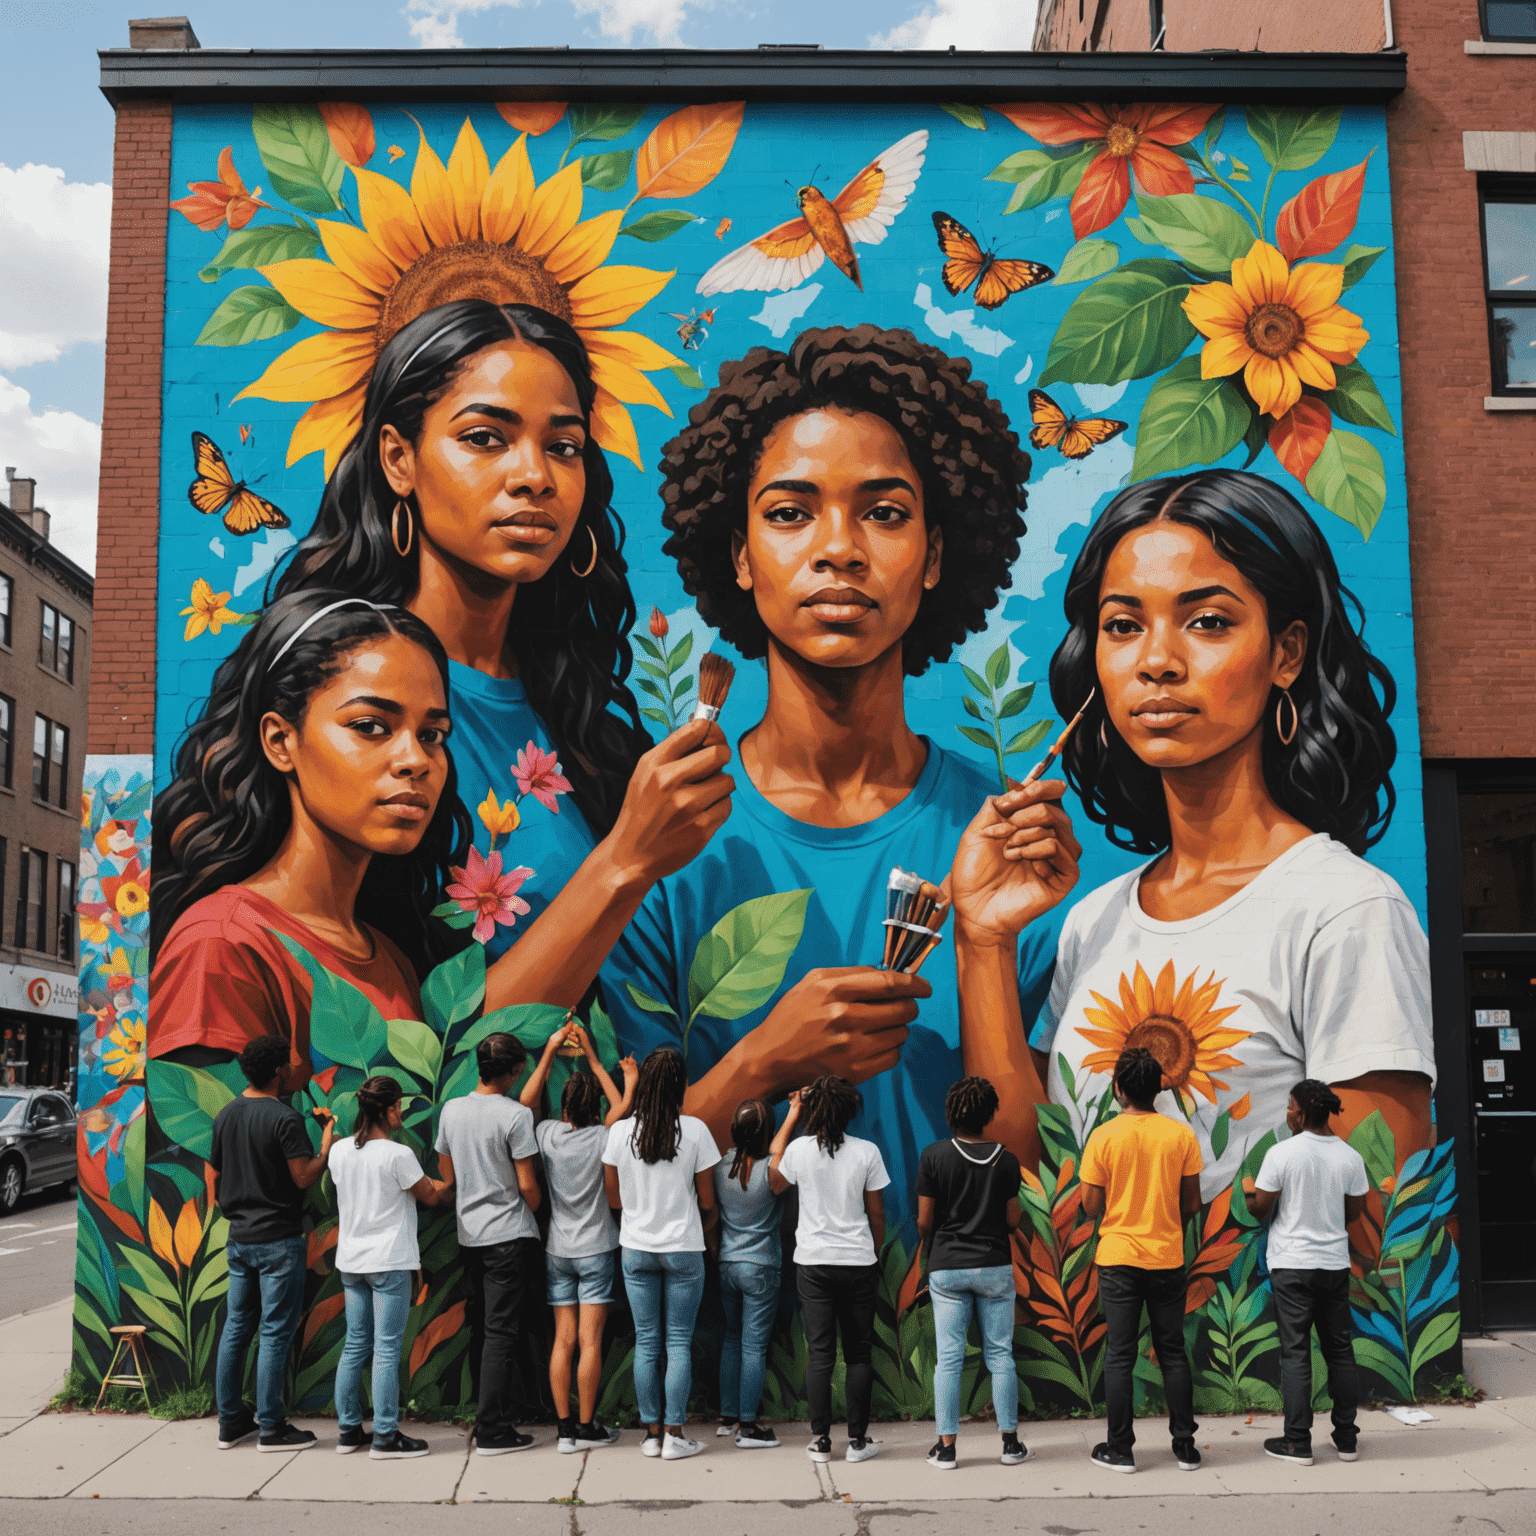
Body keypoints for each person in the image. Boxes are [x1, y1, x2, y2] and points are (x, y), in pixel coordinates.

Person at [608, 325, 1057, 1235]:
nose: (838, 549)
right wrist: (763, 1062)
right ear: (738, 555)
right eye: (789, 513)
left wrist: (985, 944)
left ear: (936, 555)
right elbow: (618, 1180)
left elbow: (1026, 1184)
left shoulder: (1001, 838)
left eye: (884, 513)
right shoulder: (669, 832)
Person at [952, 468, 1434, 1188]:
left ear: (1287, 653)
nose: (1156, 662)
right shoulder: (1096, 921)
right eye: (1123, 625)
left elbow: (1382, 1229)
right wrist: (983, 942)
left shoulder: (1346, 912)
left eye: (1207, 621)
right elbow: (1024, 1177)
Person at [268, 299, 734, 1004]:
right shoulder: (342, 717)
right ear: (398, 458)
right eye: (486, 437)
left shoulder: (579, 718)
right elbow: (414, 1067)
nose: (535, 477)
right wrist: (625, 860)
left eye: (564, 447)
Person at [150, 592, 471, 1091]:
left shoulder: (388, 957)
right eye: (371, 727)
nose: (415, 759)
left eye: (432, 734)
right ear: (281, 742)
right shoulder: (223, 946)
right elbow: (214, 1158)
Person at [1079, 1047, 1203, 1475]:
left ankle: (1121, 1449)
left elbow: (1090, 1206)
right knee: (1171, 1351)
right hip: (1167, 1256)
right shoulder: (1180, 1135)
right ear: (1158, 1089)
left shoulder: (1103, 1136)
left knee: (1119, 1354)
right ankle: (1185, 1446)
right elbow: (1193, 1204)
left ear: (1118, 1089)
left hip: (1118, 1258)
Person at [209, 1034, 334, 1452]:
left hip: (240, 1238)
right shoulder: (284, 1118)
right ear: (279, 1070)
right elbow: (303, 1177)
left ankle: (230, 1422)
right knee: (275, 1332)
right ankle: (272, 1428)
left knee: (237, 1328)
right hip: (279, 1240)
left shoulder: (226, 1114)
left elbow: (214, 1176)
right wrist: (327, 1147)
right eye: (290, 1064)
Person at [519, 1020, 637, 1452]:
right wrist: (593, 1056)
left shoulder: (547, 1135)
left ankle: (565, 1429)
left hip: (557, 1250)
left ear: (564, 1107)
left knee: (562, 1339)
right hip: (598, 1248)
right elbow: (621, 1105)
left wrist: (551, 1049)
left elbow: (526, 1100)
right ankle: (588, 1427)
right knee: (590, 1342)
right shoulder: (605, 1137)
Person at [602, 1046, 720, 1461]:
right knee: (679, 1344)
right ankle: (675, 1433)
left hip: (636, 1247)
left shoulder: (619, 1133)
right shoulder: (696, 1132)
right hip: (684, 1248)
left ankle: (650, 1434)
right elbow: (708, 1201)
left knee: (647, 1343)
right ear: (680, 1086)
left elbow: (614, 1200)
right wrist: (699, 1227)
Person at [1246, 1078, 1369, 1466]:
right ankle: (1346, 1440)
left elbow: (1260, 1210)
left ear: (1299, 1113)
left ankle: (1297, 1443)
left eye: (1288, 1107)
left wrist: (1251, 1190)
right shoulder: (1350, 1157)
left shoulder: (1281, 1154)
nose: (1286, 1113)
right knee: (1340, 1350)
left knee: (1295, 1352)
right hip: (1333, 1265)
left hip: (1292, 1266)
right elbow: (1353, 1214)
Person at [768, 1074, 890, 1466]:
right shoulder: (867, 1152)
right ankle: (858, 1441)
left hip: (814, 1263)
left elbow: (773, 1183)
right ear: (849, 1110)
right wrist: (873, 1249)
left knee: (820, 1353)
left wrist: (791, 1114)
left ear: (814, 1111)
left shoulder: (800, 1151)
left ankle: (820, 1440)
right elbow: (876, 1211)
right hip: (857, 1262)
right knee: (858, 1353)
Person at [329, 1075, 450, 1460]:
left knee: (355, 1345)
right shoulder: (398, 1155)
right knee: (385, 1348)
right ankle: (384, 1435)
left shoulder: (339, 1151)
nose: (402, 1113)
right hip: (389, 1263)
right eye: (398, 1106)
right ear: (385, 1110)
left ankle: (349, 1431)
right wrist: (455, 1180)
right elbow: (431, 1197)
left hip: (351, 1263)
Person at [434, 1031, 543, 1455]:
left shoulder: (451, 1110)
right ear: (515, 1071)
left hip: (470, 1234)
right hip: (507, 1234)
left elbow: (449, 1176)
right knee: (502, 1332)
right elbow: (527, 1185)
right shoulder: (515, 1116)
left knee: (486, 1329)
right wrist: (536, 1211)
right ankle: (493, 1430)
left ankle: (494, 1416)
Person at [915, 1076, 1027, 1471]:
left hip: (947, 1267)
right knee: (1001, 1355)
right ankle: (1010, 1444)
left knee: (948, 1359)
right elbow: (1013, 1220)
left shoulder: (933, 1157)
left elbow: (924, 1220)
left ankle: (946, 1449)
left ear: (951, 1114)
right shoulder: (1006, 1160)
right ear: (988, 1114)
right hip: (995, 1266)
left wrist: (932, 1242)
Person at [712, 1098, 785, 1449]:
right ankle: (749, 1426)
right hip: (760, 1267)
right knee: (753, 1346)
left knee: (731, 1337)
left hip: (727, 1264)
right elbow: (779, 1151)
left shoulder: (720, 1167)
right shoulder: (772, 1171)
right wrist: (796, 1113)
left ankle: (727, 1418)